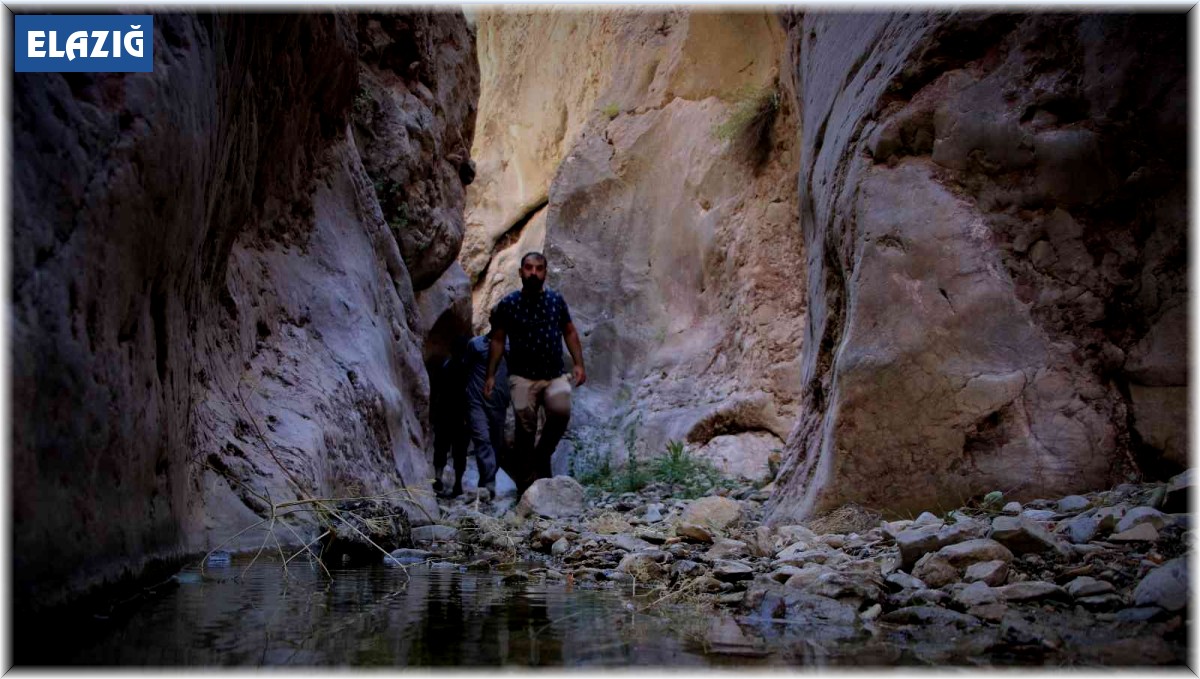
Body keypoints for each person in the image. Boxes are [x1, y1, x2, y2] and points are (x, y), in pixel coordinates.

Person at [483, 251, 586, 496]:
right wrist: (490, 375)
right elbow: (497, 341)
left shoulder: (555, 301)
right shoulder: (507, 305)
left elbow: (569, 332)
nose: (533, 273)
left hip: (554, 374)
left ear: (545, 273)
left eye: (538, 269)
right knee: (524, 427)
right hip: (522, 377)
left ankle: (543, 454)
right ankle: (527, 485)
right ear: (520, 272)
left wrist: (578, 363)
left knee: (561, 411)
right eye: (528, 268)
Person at [462, 329, 509, 499]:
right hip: (476, 400)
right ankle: (489, 483)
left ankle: (486, 482)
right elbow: (465, 369)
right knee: (483, 439)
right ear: (491, 320)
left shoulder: (510, 346)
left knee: (496, 444)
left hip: (499, 402)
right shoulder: (475, 344)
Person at [429, 336, 470, 497]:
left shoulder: (444, 367)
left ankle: (438, 477)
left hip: (445, 414)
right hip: (460, 417)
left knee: (441, 448)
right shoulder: (468, 369)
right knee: (460, 452)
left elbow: (436, 392)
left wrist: (434, 413)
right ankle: (457, 484)